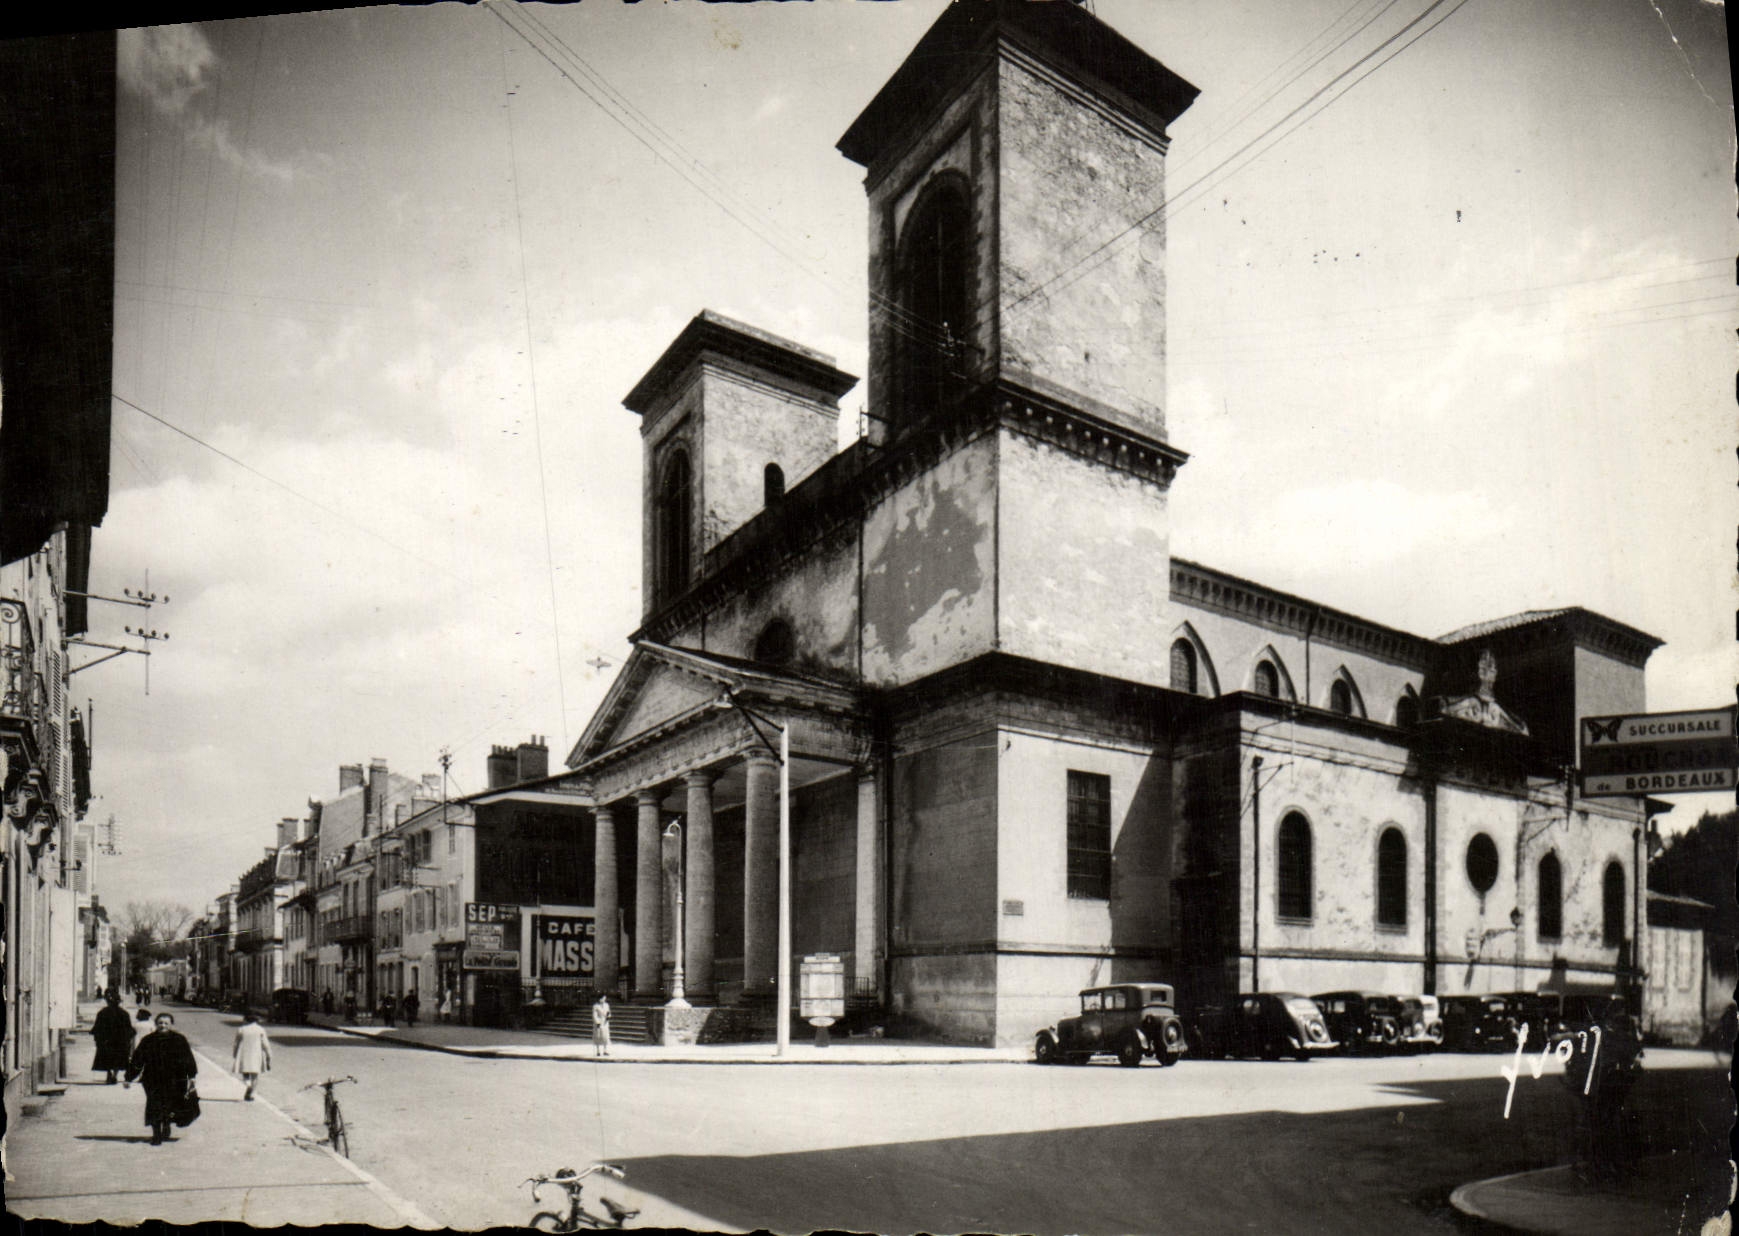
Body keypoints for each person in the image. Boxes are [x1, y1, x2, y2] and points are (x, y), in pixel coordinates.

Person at [125, 1012, 198, 1146]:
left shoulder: (179, 1040)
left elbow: (188, 1059)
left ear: (171, 1025)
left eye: (166, 1023)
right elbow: (138, 1059)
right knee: (154, 1105)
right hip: (153, 1079)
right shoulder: (148, 1040)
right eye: (160, 1023)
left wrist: (192, 1076)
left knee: (170, 1104)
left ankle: (166, 1124)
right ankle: (156, 1135)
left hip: (175, 1079)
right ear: (156, 1024)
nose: (163, 1026)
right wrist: (129, 1077)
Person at [91, 989, 136, 1085]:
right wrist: (128, 1041)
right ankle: (115, 1075)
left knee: (107, 1058)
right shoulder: (124, 1014)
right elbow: (129, 1029)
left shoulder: (102, 1013)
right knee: (118, 1059)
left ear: (107, 1001)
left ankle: (109, 1074)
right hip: (120, 1042)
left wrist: (98, 1040)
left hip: (106, 1041)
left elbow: (97, 1028)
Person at [231, 1012, 272, 1101]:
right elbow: (266, 1045)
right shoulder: (260, 1029)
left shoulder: (241, 1029)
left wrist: (235, 1054)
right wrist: (269, 1056)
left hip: (244, 1054)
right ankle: (250, 1094)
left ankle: (248, 1085)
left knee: (245, 1073)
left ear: (247, 1020)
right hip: (256, 1055)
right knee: (255, 1075)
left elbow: (236, 1044)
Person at [591, 993, 611, 1058]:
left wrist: (608, 1017)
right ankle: (598, 1051)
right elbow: (594, 1015)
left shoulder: (607, 1005)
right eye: (602, 998)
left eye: (604, 998)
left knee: (605, 1037)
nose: (604, 1000)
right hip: (599, 1022)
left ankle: (605, 1050)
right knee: (598, 1036)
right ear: (599, 999)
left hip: (605, 1022)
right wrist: (597, 1022)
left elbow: (608, 1012)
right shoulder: (595, 1006)